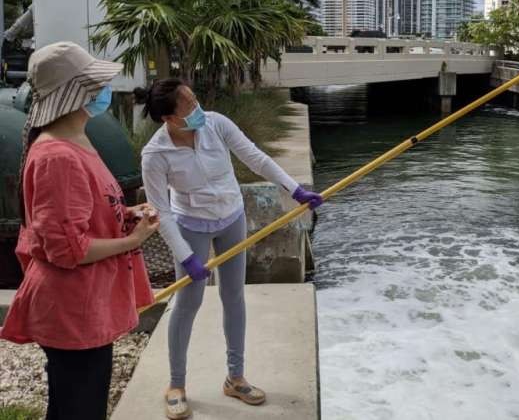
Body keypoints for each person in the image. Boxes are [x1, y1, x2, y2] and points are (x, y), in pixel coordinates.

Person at [134, 78, 322, 419]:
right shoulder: (155, 155)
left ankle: (235, 378)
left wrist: (295, 190)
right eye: (189, 106)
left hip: (231, 218)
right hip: (190, 224)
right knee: (188, 302)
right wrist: (187, 256)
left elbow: (256, 158)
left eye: (195, 99)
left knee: (233, 296)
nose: (198, 109)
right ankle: (176, 385)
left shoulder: (216, 124)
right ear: (170, 119)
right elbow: (160, 210)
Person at [0, 41, 159, 420]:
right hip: (73, 309)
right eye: (95, 84)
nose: (103, 91)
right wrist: (132, 240)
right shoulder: (58, 156)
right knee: (78, 408)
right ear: (75, 93)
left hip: (86, 306)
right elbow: (67, 249)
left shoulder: (76, 140)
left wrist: (125, 212)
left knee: (83, 401)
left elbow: (81, 214)